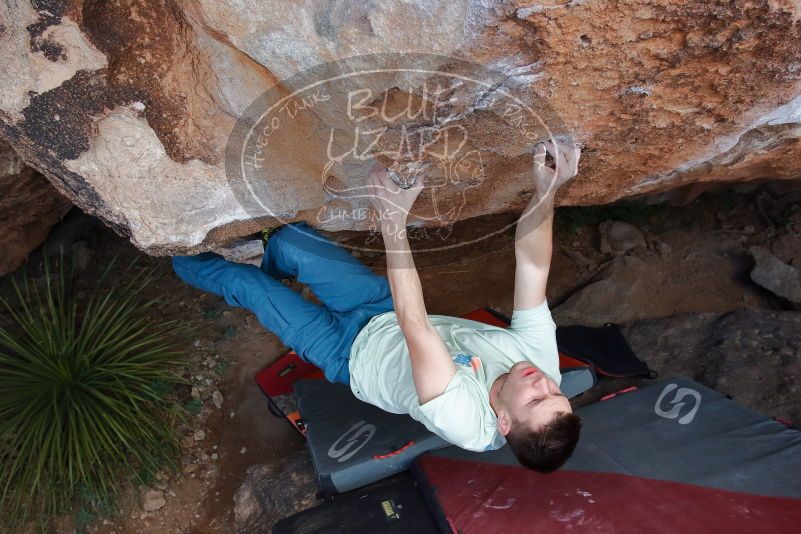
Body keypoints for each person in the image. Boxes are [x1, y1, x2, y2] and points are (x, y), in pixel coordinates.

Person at [173, 139, 582, 473]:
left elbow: (417, 327)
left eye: (534, 399)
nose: (542, 382)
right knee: (292, 243)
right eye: (555, 391)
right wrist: (548, 191)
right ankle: (271, 257)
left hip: (347, 354)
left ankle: (175, 253)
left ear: (504, 422)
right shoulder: (541, 366)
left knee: (243, 284)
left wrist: (392, 220)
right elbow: (533, 264)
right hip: (382, 310)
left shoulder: (465, 422)